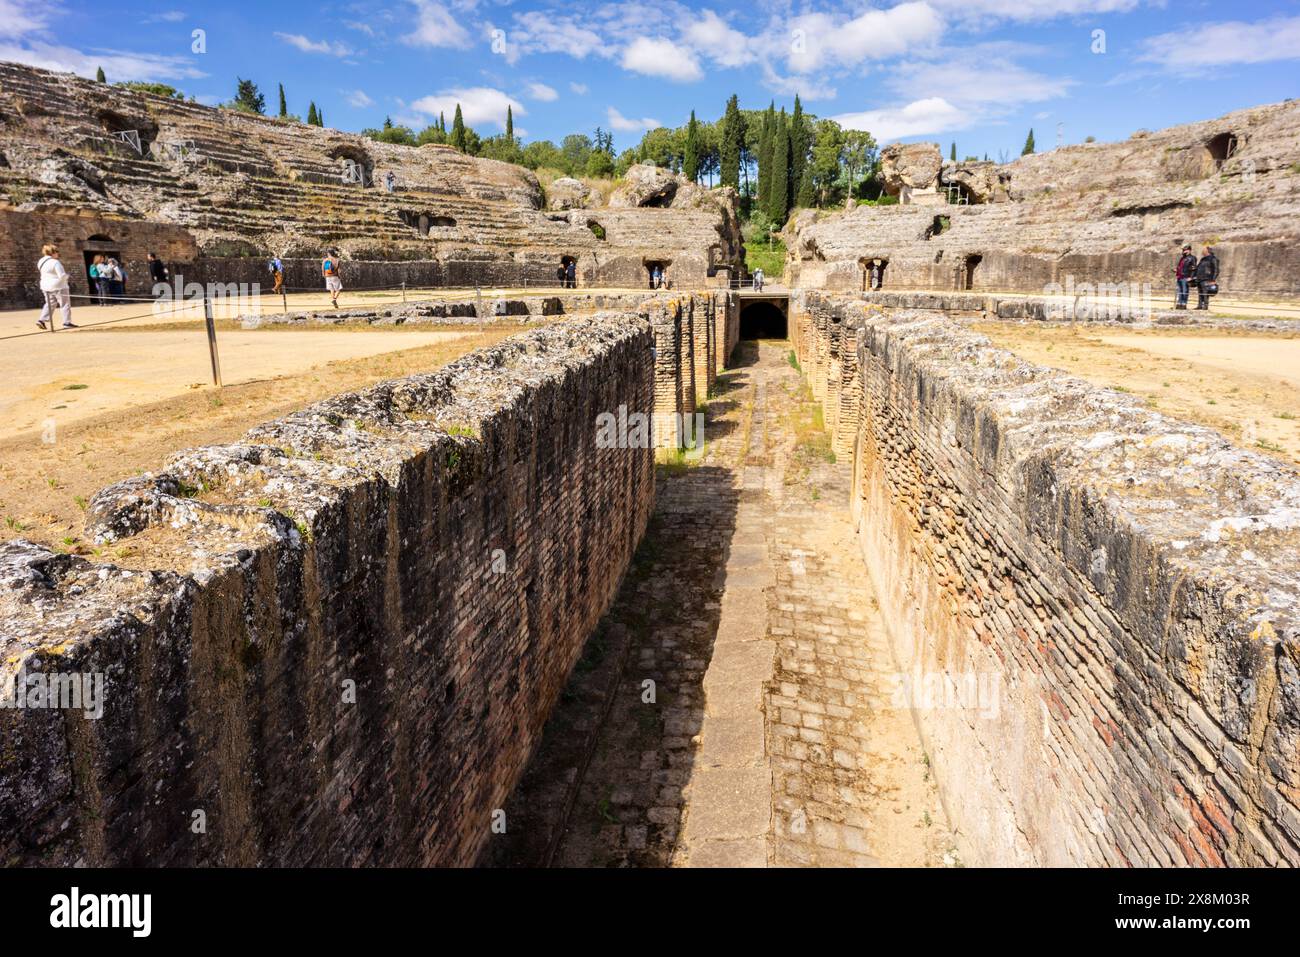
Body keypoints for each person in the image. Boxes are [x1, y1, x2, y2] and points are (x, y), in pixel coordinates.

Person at [36, 244, 76, 329]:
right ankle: (67, 322)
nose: (58, 254)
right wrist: (68, 275)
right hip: (59, 286)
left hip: (45, 286)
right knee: (65, 304)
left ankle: (41, 320)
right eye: (57, 252)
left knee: (50, 304)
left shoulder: (40, 261)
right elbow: (61, 276)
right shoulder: (55, 262)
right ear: (53, 252)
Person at [1195, 245, 1219, 310]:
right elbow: (1199, 267)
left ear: (1207, 251)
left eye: (1204, 250)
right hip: (1200, 278)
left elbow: (1216, 270)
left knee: (1205, 292)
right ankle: (1200, 305)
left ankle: (1205, 306)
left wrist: (1213, 279)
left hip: (1207, 278)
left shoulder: (1213, 258)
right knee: (1200, 292)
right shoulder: (1203, 259)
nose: (1202, 251)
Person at [1174, 244, 1196, 309]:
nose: (1183, 251)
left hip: (1186, 276)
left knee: (1185, 291)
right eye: (1183, 250)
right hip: (1179, 276)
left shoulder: (1192, 258)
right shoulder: (1182, 258)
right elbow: (1180, 266)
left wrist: (1191, 277)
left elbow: (1194, 268)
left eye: (1185, 250)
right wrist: (1176, 270)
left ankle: (1184, 304)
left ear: (1189, 250)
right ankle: (1179, 303)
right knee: (1179, 291)